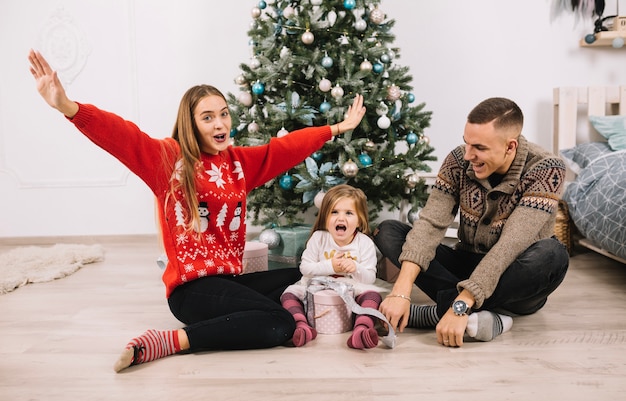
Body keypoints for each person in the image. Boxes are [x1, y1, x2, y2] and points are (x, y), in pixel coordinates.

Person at [27, 49, 366, 371]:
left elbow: (284, 149)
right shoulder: (168, 160)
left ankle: (244, 318)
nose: (220, 124)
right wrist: (68, 107)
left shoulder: (238, 164)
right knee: (279, 323)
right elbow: (121, 135)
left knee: (301, 275)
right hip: (192, 291)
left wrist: (335, 129)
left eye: (223, 114)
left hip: (228, 282)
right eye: (208, 117)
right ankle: (172, 341)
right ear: (191, 123)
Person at [374, 97, 569, 347]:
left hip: (513, 273)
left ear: (510, 147)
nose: (468, 155)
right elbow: (431, 223)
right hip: (466, 262)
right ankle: (487, 316)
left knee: (553, 253)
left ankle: (439, 312)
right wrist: (400, 292)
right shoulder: (459, 160)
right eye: (466, 144)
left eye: (479, 148)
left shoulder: (546, 168)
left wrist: (459, 307)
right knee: (389, 231)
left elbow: (511, 244)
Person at [281, 184, 386, 349]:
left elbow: (370, 277)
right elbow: (305, 268)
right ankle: (302, 325)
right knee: (288, 294)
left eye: (349, 213)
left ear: (360, 220)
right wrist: (330, 266)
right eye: (334, 212)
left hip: (353, 288)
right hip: (317, 287)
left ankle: (361, 329)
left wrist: (355, 268)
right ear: (324, 217)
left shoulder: (364, 242)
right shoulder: (319, 238)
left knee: (373, 296)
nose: (341, 218)